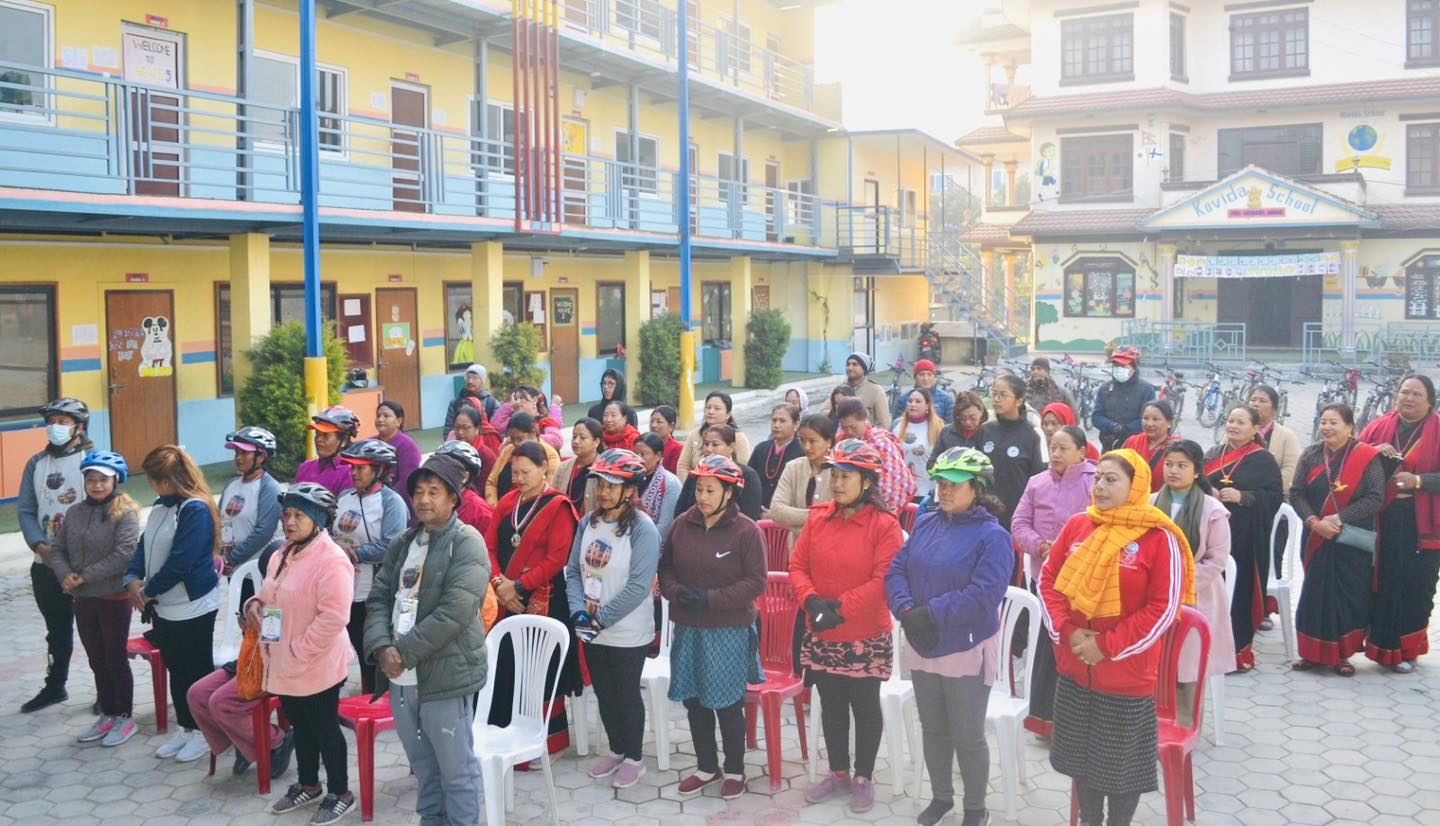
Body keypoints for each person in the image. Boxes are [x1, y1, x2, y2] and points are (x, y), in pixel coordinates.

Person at [1040, 449, 1197, 826]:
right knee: (1081, 759)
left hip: (1126, 676)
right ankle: (1090, 820)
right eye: (1098, 478)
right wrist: (1068, 632)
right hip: (1076, 668)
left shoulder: (1159, 537)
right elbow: (1048, 581)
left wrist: (1104, 646)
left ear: (1136, 486)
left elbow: (1163, 609)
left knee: (1121, 769)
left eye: (1111, 480)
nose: (1100, 487)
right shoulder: (1079, 526)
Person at [886, 448, 1013, 826]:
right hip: (923, 642)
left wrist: (932, 613)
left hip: (965, 647)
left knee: (967, 735)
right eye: (941, 483)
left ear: (977, 488)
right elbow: (896, 570)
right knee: (933, 728)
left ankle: (975, 808)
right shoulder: (926, 523)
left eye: (954, 484)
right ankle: (941, 797)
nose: (944, 490)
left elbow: (984, 595)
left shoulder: (993, 536)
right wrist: (906, 609)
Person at [366, 453, 490, 826]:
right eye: (419, 491)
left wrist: (401, 652)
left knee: (456, 771)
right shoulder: (404, 543)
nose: (423, 499)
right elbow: (378, 597)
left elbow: (455, 612)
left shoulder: (466, 542)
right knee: (424, 767)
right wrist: (381, 647)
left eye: (434, 491)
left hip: (445, 674)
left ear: (453, 497)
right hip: (401, 677)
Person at [791, 440, 904, 814]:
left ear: (867, 482)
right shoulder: (818, 517)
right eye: (834, 476)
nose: (836, 484)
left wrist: (838, 609)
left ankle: (863, 777)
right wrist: (811, 602)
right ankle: (838, 773)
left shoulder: (884, 525)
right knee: (832, 705)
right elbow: (798, 566)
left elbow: (882, 580)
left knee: (865, 706)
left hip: (864, 635)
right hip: (823, 630)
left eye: (845, 477)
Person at [244, 483, 356, 822]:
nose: (290, 522)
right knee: (301, 727)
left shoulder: (332, 560)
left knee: (325, 729)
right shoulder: (283, 553)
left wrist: (297, 651)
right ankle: (309, 785)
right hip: (282, 660)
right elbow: (270, 593)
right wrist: (254, 604)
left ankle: (341, 793)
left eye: (299, 515)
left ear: (318, 520)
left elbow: (334, 617)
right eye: (287, 514)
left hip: (316, 662)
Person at [659, 455, 766, 801]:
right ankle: (707, 766)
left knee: (727, 702)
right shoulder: (682, 524)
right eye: (699, 489)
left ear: (729, 493)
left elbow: (755, 582)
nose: (702, 497)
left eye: (710, 490)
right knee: (694, 700)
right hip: (689, 626)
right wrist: (677, 593)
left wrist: (711, 600)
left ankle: (735, 770)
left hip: (728, 629)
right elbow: (666, 567)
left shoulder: (746, 531)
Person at [566, 449, 662, 789]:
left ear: (630, 489)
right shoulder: (587, 523)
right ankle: (617, 749)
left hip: (627, 632)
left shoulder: (643, 529)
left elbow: (638, 586)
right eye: (600, 485)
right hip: (592, 628)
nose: (603, 492)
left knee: (626, 693)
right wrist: (579, 612)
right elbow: (573, 572)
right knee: (604, 693)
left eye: (612, 485)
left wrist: (600, 619)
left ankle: (635, 758)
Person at [125, 445, 224, 764]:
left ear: (171, 479)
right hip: (164, 606)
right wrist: (132, 578)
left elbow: (182, 561)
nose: (152, 485)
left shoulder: (195, 510)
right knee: (176, 670)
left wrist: (148, 591)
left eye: (155, 480)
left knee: (195, 672)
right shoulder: (159, 507)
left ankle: (205, 733)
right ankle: (185, 727)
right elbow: (144, 546)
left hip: (193, 606)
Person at [485, 441, 583, 753]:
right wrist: (500, 584)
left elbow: (557, 558)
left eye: (525, 472)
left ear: (544, 470)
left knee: (542, 670)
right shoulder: (508, 502)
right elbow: (489, 547)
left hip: (546, 600)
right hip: (507, 598)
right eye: (514, 472)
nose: (518, 479)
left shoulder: (558, 506)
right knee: (507, 665)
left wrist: (519, 585)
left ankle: (549, 741)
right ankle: (506, 735)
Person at [49, 450, 142, 747]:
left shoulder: (125, 512)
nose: (97, 485)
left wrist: (84, 576)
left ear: (116, 480)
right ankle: (107, 713)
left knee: (114, 658)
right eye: (91, 479)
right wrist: (66, 575)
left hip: (113, 598)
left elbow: (124, 555)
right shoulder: (75, 512)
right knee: (96, 659)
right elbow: (57, 549)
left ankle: (125, 717)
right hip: (83, 598)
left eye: (103, 479)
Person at [1011, 426, 1096, 738]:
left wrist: (1065, 550)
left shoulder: (1095, 482)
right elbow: (1019, 523)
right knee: (1046, 651)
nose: (1056, 454)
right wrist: (1040, 546)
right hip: (1045, 579)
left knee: (1074, 649)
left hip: (1084, 583)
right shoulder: (1037, 482)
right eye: (1053, 448)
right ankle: (1044, 722)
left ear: (1082, 452)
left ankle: (1076, 726)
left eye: (1063, 448)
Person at [1291, 405, 1384, 676]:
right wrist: (1314, 522)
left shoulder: (1367, 457)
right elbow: (1296, 493)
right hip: (1316, 536)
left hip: (1350, 539)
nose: (1327, 428)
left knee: (1349, 596)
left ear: (1350, 427)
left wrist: (1339, 518)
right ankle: (1311, 653)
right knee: (1315, 595)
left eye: (1334, 422)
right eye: (1323, 422)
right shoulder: (1311, 454)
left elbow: (1375, 498)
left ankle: (1342, 656)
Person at [1360, 375, 1440, 672]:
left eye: (1416, 394)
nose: (1408, 398)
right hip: (1382, 519)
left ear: (1430, 400)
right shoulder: (1379, 427)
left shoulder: (1437, 430)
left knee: (1416, 587)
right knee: (1383, 582)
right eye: (1404, 392)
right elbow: (1352, 457)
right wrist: (1372, 451)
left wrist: (1418, 481)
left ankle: (1408, 651)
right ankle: (1381, 647)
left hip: (1422, 524)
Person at [18, 397, 91, 712]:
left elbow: (106, 509)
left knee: (94, 631)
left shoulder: (92, 461)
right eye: (52, 422)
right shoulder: (36, 464)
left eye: (62, 422)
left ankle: (107, 691)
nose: (55, 427)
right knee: (57, 630)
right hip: (45, 564)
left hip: (83, 566)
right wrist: (40, 545)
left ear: (79, 427)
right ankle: (55, 686)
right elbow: (26, 510)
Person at [1153, 440, 1234, 722]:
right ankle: (1152, 727)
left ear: (1197, 471)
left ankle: (1184, 727)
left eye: (1182, 466)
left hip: (1197, 597)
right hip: (1155, 597)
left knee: (1187, 666)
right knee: (1155, 663)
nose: (1173, 471)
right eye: (1169, 464)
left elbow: (1216, 560)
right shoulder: (1150, 503)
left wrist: (1178, 583)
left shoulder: (1212, 509)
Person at [1204, 406, 1284, 672]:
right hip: (1211, 535)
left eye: (1240, 422)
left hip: (1246, 538)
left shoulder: (1263, 460)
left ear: (1255, 429)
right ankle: (1206, 654)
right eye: (1230, 420)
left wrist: (1243, 497)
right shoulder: (1214, 453)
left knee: (1239, 593)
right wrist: (1209, 490)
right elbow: (1197, 481)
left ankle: (1237, 654)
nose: (1233, 426)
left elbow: (1275, 498)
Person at [334, 439, 408, 696]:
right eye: (352, 468)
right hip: (345, 588)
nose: (353, 473)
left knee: (374, 652)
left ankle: (380, 700)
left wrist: (354, 553)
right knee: (356, 645)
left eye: (361, 468)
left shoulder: (392, 502)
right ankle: (367, 695)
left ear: (379, 469)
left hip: (373, 591)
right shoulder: (344, 497)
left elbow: (392, 544)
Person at [218, 427, 284, 592]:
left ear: (261, 457)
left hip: (258, 572)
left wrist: (232, 558)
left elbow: (263, 532)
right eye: (236, 453)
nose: (238, 458)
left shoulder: (270, 488)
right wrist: (221, 554)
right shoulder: (231, 485)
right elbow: (219, 520)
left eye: (244, 453)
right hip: (234, 571)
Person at [977, 375, 1044, 529]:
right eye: (994, 394)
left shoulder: (1033, 434)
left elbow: (1040, 480)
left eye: (1003, 395)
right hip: (984, 515)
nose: (996, 399)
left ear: (1019, 400)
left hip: (1017, 517)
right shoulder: (985, 430)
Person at [836, 398, 915, 514]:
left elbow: (892, 482)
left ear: (864, 419)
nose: (849, 432)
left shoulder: (881, 444)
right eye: (845, 428)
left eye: (853, 427)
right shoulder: (842, 443)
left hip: (879, 507)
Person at [674, 424, 764, 521]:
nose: (709, 449)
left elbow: (750, 516)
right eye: (706, 444)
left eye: (715, 444)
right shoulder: (696, 473)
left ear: (731, 447)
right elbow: (680, 511)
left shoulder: (747, 476)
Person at [768, 414, 836, 540]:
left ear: (829, 441)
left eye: (812, 441)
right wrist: (815, 516)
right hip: (798, 546)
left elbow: (839, 516)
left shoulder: (840, 471)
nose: (806, 447)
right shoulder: (793, 468)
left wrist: (796, 522)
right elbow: (776, 510)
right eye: (802, 440)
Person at [485, 412, 561, 505]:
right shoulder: (507, 451)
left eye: (520, 439)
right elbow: (491, 483)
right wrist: (494, 507)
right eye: (512, 439)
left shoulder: (550, 456)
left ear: (533, 433)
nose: (516, 443)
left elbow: (551, 490)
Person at [1091, 346, 1155, 453]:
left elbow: (1149, 419)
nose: (1119, 369)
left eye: (1123, 366)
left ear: (1134, 367)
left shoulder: (1146, 390)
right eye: (1116, 365)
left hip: (1136, 448)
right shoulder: (1105, 388)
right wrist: (1113, 427)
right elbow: (1096, 416)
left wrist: (1127, 429)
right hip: (1109, 447)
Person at [677, 392, 753, 480]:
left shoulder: (738, 437)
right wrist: (691, 486)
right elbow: (683, 466)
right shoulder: (695, 434)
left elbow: (744, 470)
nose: (711, 412)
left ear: (728, 414)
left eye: (717, 408)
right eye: (708, 407)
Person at [435, 440, 496, 537]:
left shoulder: (481, 514)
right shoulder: (434, 500)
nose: (439, 474)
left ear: (465, 476)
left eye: (446, 469)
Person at [894, 387, 945, 502]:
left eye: (918, 401)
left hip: (927, 490)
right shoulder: (898, 426)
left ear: (927, 405)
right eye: (910, 401)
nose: (913, 404)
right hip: (902, 490)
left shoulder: (938, 427)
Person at [750, 403, 804, 508]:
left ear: (796, 424)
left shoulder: (802, 452)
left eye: (782, 421)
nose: (776, 425)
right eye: (774, 420)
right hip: (758, 509)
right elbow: (750, 481)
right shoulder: (761, 448)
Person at [296, 406, 359, 496]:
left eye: (325, 435)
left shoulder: (350, 473)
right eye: (317, 434)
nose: (319, 439)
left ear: (344, 441)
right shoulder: (305, 467)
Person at [374, 400, 423, 515]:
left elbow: (406, 482)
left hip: (399, 507)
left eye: (386, 416)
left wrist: (382, 499)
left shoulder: (408, 446)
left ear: (399, 421)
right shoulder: (370, 443)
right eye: (378, 416)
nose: (380, 419)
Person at [1250, 385, 1301, 492]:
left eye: (1262, 401)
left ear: (1274, 410)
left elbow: (1290, 471)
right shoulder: (1236, 431)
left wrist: (1261, 490)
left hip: (1270, 494)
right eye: (1253, 400)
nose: (1256, 404)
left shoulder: (1287, 436)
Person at [1122, 401, 1179, 492]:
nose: (1149, 424)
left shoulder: (1177, 448)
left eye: (1155, 419)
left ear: (1169, 423)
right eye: (1145, 418)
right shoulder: (1132, 442)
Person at [635, 433, 682, 540]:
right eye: (636, 453)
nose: (638, 458)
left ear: (658, 456)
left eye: (643, 454)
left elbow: (665, 525)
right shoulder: (631, 479)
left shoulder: (670, 483)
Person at [492, 386, 565, 452]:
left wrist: (527, 438)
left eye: (521, 398)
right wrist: (509, 405)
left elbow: (556, 440)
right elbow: (496, 427)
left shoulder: (544, 421)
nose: (517, 402)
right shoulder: (515, 422)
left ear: (534, 400)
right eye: (515, 399)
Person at [555, 419, 603, 514]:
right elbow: (554, 496)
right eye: (574, 437)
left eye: (582, 438)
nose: (576, 441)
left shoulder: (603, 469)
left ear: (596, 442)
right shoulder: (564, 467)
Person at [929, 391, 989, 463]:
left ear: (981, 412)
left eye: (973, 418)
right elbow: (932, 462)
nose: (968, 422)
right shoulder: (947, 432)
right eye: (963, 418)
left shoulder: (989, 432)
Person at [442, 363, 500, 437]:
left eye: (475, 378)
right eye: (468, 377)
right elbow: (448, 430)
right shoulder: (455, 403)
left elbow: (495, 430)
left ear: (482, 380)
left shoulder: (492, 403)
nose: (470, 381)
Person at [890, 359, 955, 422]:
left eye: (929, 374)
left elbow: (951, 425)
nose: (926, 378)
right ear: (915, 377)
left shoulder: (946, 400)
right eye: (921, 374)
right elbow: (897, 424)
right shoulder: (903, 399)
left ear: (935, 377)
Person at [839, 352, 891, 428]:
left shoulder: (876, 391)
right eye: (848, 364)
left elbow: (884, 424)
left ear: (864, 368)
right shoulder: (840, 388)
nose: (850, 368)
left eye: (854, 364)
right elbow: (825, 412)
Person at [452, 406, 499, 482]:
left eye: (465, 428)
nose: (460, 432)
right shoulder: (451, 452)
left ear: (477, 429)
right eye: (457, 427)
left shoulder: (486, 456)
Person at [649, 405, 684, 474]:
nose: (653, 425)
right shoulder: (645, 444)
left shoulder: (677, 449)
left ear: (671, 426)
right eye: (652, 421)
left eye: (659, 422)